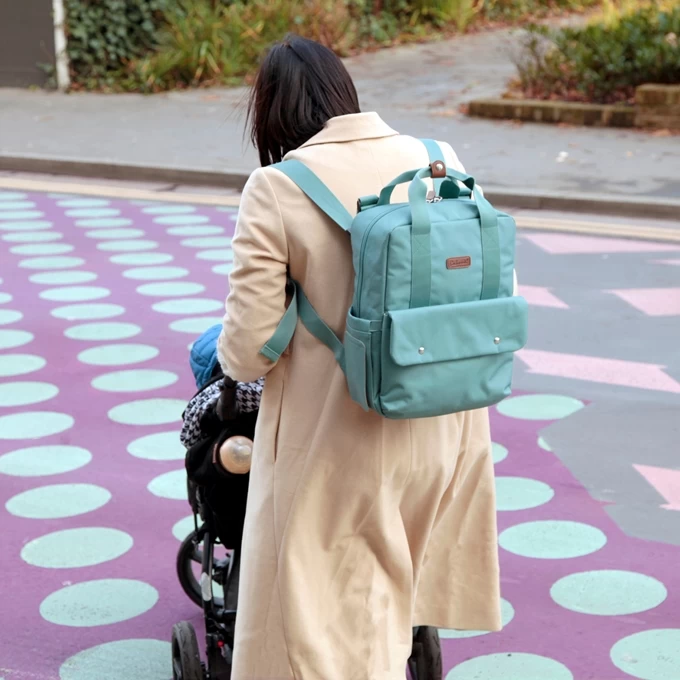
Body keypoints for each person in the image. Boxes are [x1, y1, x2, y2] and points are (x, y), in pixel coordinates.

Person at [217, 34, 502, 680]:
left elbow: (245, 353)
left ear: (271, 113)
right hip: (446, 430)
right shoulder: (438, 160)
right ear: (344, 92)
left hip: (337, 445)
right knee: (389, 611)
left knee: (323, 637)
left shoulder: (275, 187)